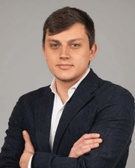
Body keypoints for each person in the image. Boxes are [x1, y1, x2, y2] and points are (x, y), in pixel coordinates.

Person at [0, 6, 134, 168]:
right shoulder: (27, 104)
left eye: (75, 45)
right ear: (44, 50)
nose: (64, 54)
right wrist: (70, 160)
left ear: (92, 51)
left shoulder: (116, 99)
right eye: (55, 45)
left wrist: (31, 161)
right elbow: (6, 164)